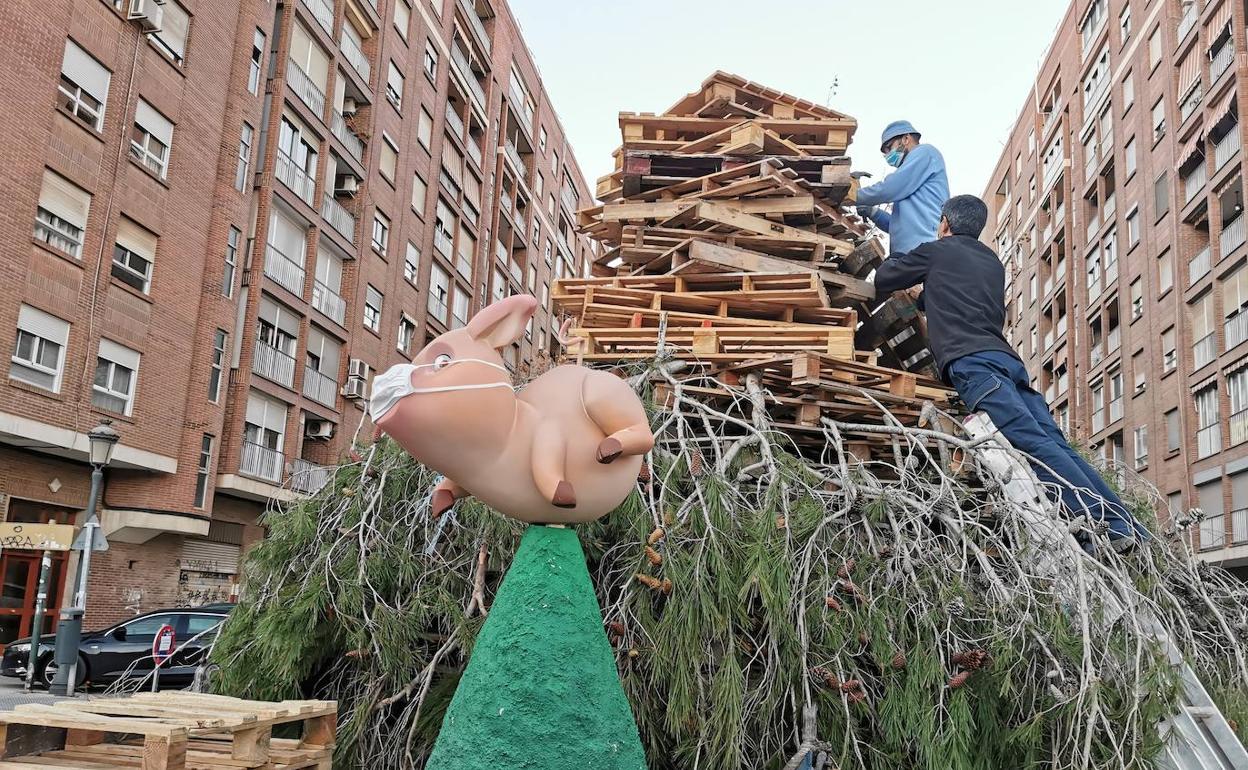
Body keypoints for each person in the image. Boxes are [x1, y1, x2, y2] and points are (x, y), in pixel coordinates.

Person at [873, 194, 1148, 553]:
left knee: (1030, 446)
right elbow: (953, 298)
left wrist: (898, 257)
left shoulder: (938, 250)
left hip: (975, 365)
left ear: (944, 223)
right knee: (1054, 444)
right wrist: (924, 294)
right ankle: (1124, 523)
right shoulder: (990, 262)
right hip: (1008, 363)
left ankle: (1106, 526)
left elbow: (884, 277)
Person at [855, 120, 949, 254]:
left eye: (889, 147)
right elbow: (898, 228)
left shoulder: (925, 153)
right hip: (909, 255)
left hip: (925, 251)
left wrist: (852, 194)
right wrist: (873, 212)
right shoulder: (909, 185)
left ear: (906, 138)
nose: (887, 155)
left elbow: (888, 189)